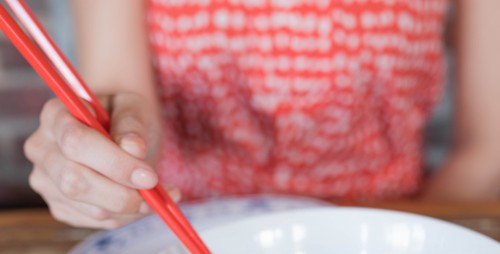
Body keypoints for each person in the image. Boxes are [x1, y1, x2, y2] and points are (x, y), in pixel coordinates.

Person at [24, 0, 500, 229]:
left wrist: (403, 249)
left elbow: (487, 151)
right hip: (190, 243)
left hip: (389, 231)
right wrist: (102, 158)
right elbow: (123, 103)